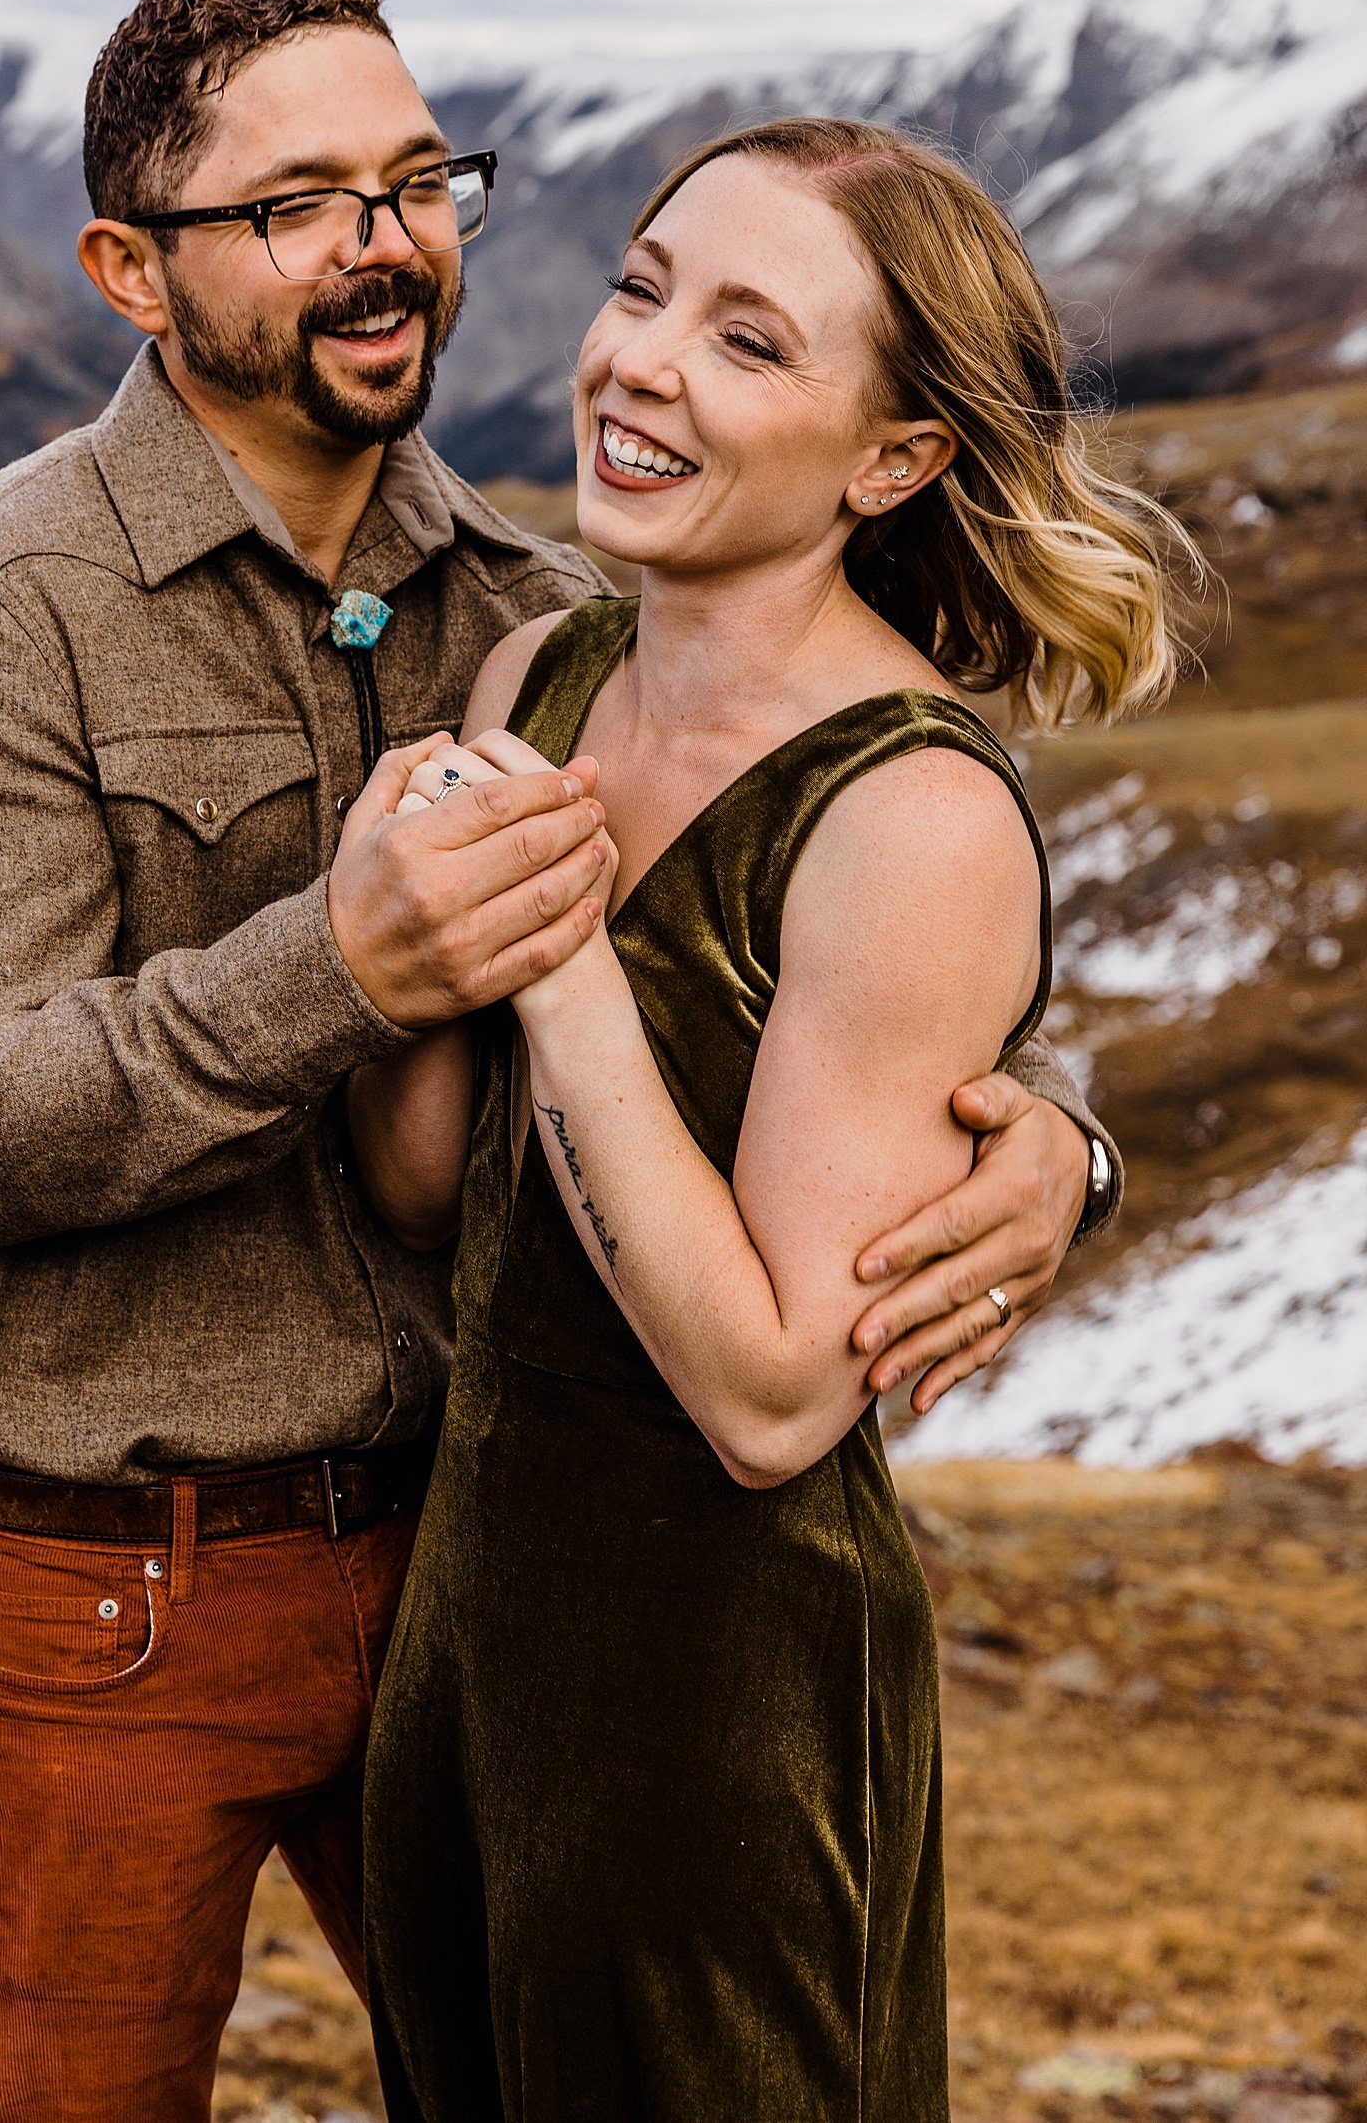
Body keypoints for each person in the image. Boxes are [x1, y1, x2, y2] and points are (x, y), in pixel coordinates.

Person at [0, 0, 1116, 2123]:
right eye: (295, 203)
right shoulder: (6, 602)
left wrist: (1062, 1147)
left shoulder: (522, 612)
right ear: (131, 273)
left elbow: (820, 930)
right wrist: (348, 963)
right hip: (95, 1597)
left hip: (454, 1576)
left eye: (417, 179)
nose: (382, 239)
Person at [356, 117, 1182, 2122]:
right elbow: (430, 1191)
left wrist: (558, 972)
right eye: (643, 291)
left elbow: (774, 1402)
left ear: (889, 461)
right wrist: (387, 948)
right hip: (467, 1663)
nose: (641, 362)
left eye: (748, 340)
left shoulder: (908, 818)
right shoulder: (543, 676)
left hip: (725, 1707)